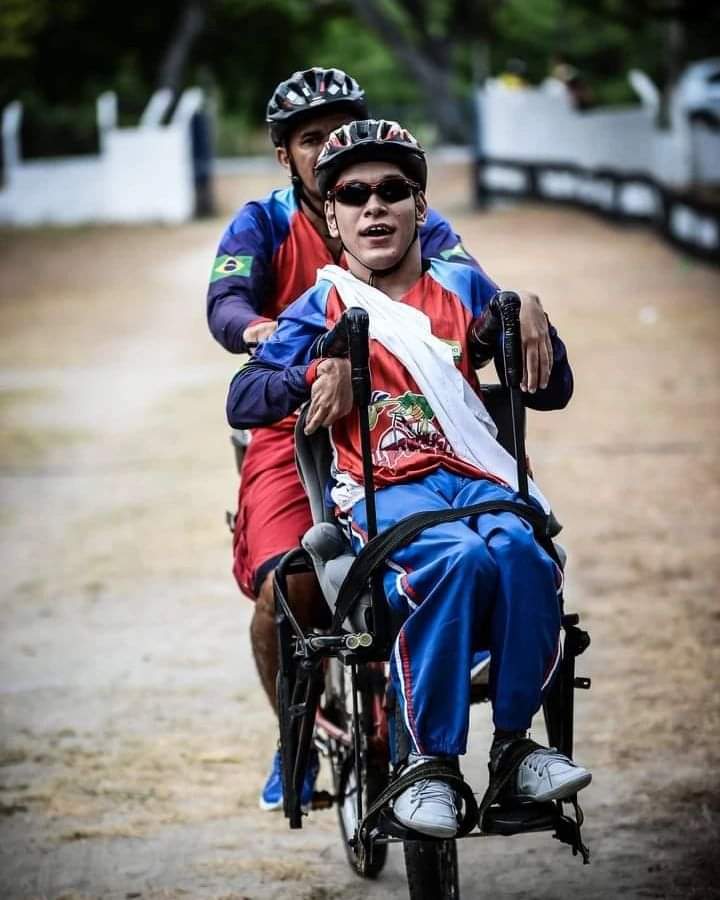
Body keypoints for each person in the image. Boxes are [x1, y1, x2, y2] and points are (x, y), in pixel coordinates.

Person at [225, 119, 592, 838]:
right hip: (388, 492)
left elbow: (552, 390)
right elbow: (244, 396)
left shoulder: (463, 285)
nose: (374, 206)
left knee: (522, 552)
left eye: (393, 190)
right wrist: (315, 369)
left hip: (476, 479)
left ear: (420, 207)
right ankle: (432, 765)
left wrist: (525, 316)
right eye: (353, 194)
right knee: (454, 560)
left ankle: (517, 751)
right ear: (330, 216)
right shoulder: (322, 304)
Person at [206, 67, 492, 811]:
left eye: (336, 131)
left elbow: (466, 278)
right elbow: (226, 299)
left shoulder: (401, 209)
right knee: (285, 584)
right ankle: (292, 739)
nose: (327, 149)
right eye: (309, 140)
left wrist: (506, 316)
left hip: (401, 421)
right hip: (293, 419)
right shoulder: (264, 223)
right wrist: (267, 334)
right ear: (283, 155)